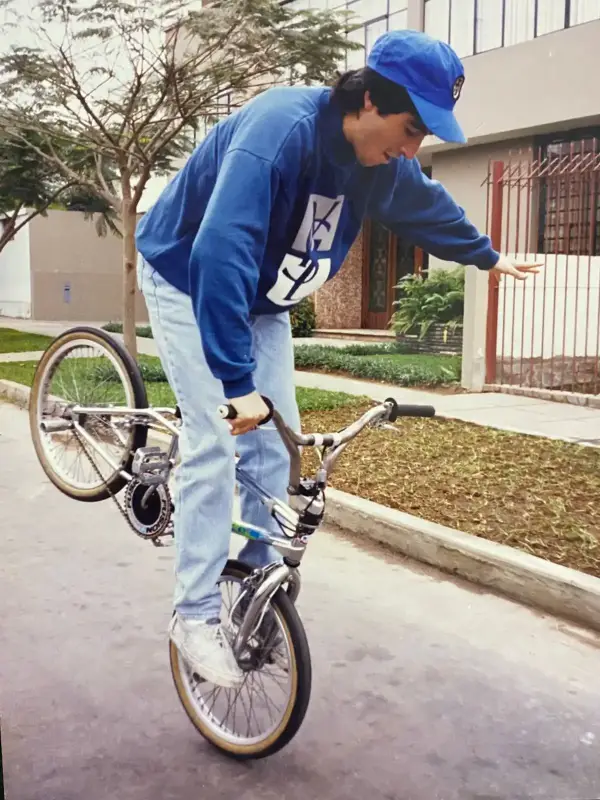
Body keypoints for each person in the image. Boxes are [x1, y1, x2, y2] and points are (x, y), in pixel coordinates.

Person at [135, 29, 539, 688]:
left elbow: (424, 204)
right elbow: (221, 252)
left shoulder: (378, 163)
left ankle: (252, 587)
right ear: (370, 101)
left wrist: (486, 255)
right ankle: (195, 614)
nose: (412, 150)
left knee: (277, 450)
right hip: (188, 276)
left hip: (261, 298)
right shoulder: (279, 132)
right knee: (216, 441)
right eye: (411, 129)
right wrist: (236, 383)